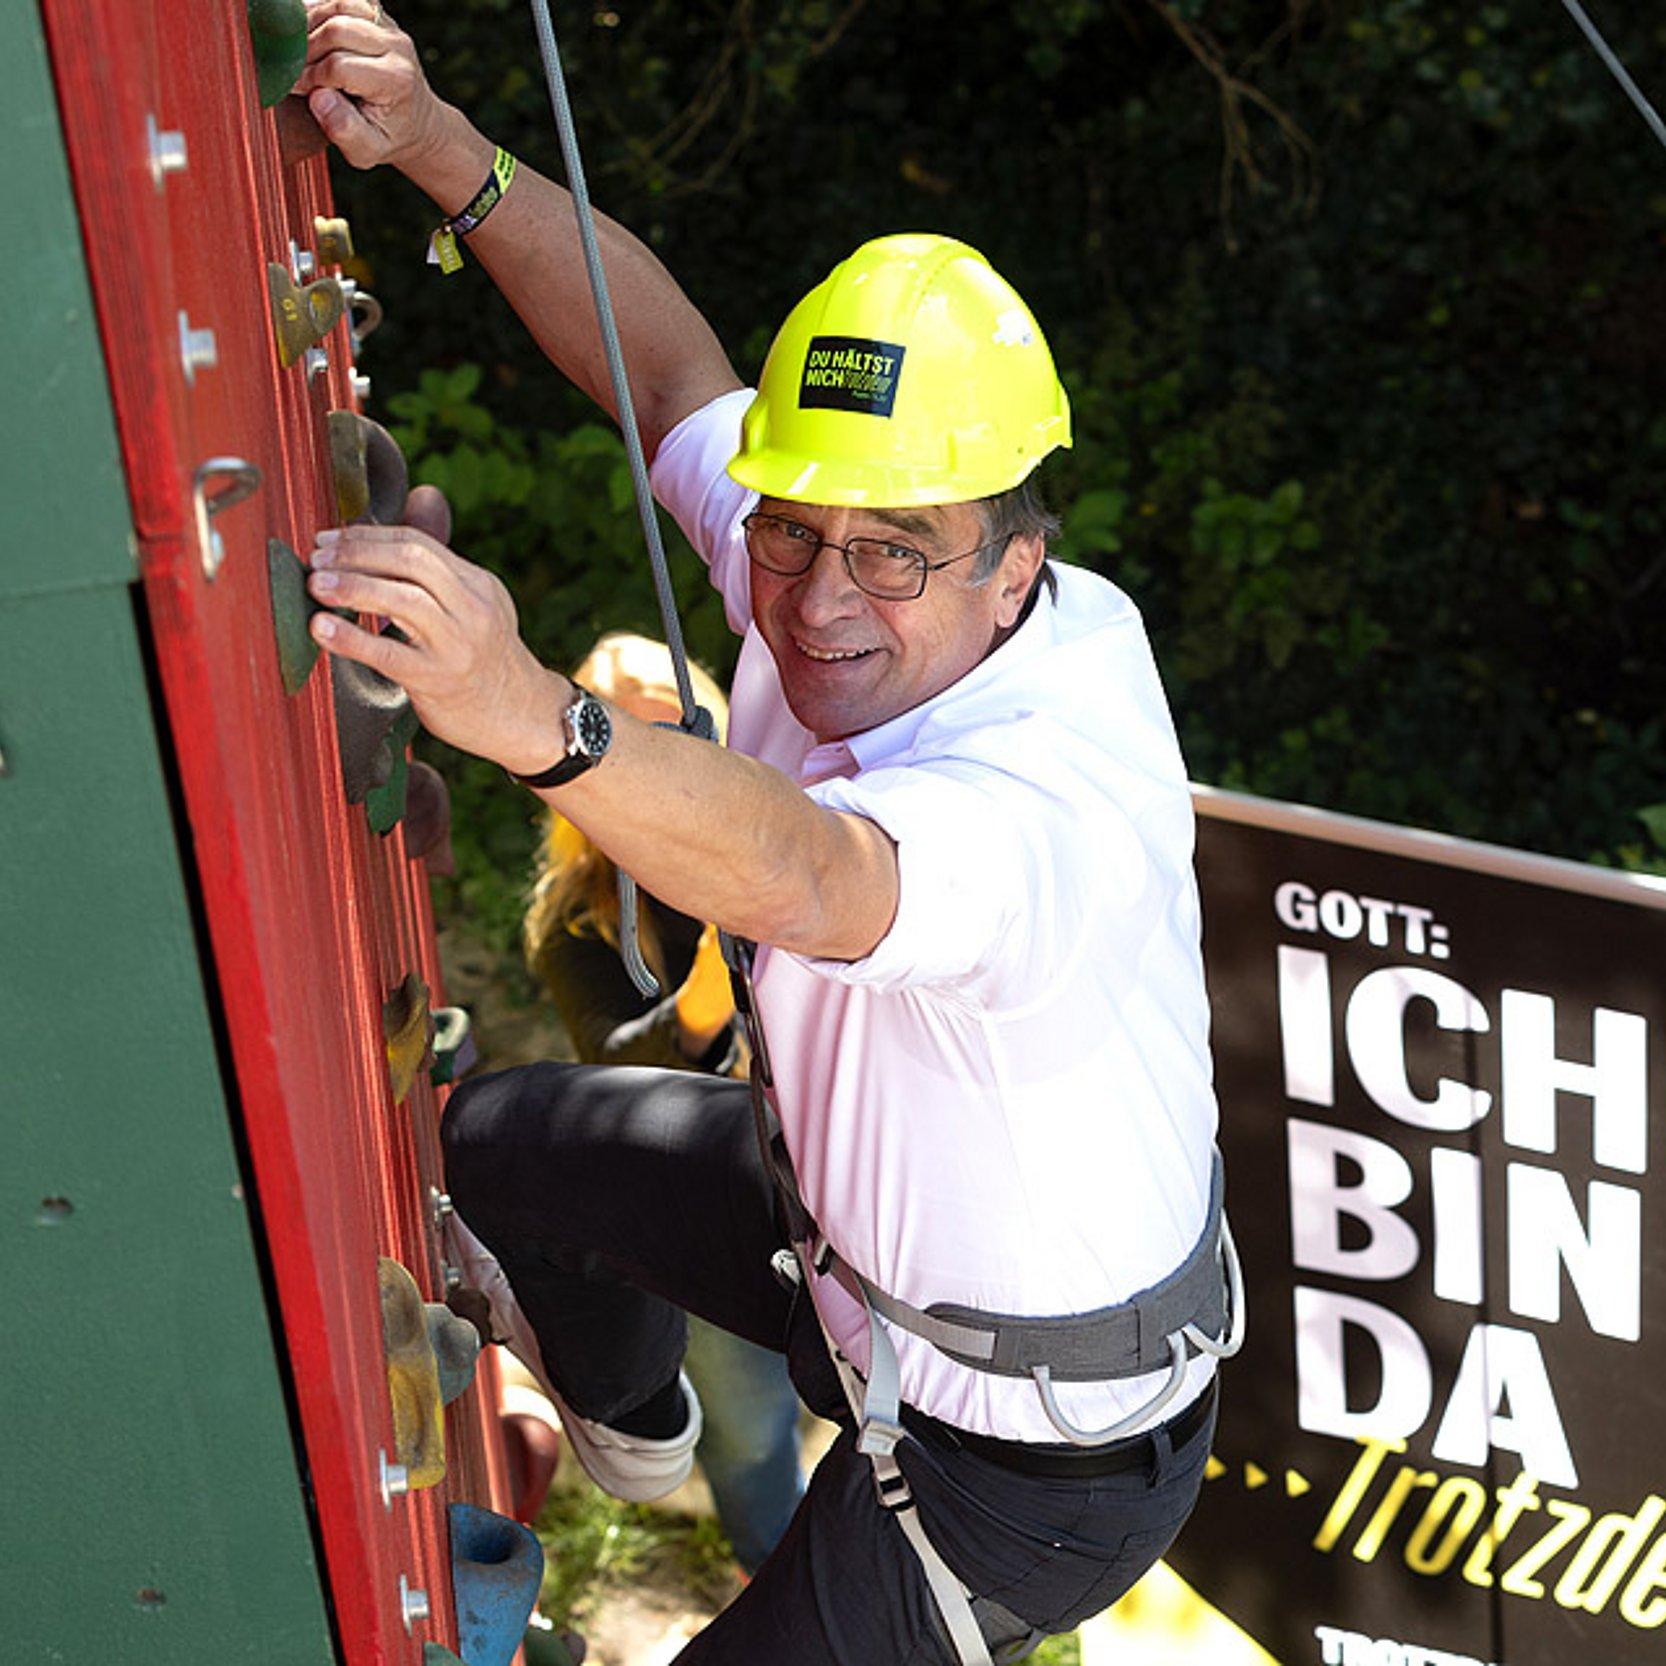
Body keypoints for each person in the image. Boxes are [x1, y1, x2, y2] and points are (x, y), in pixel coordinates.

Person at [299, 7, 1234, 1661]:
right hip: (844, 1245)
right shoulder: (862, 550)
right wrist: (441, 145)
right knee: (496, 1146)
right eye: (792, 531)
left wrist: (532, 712)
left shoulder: (1045, 789)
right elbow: (667, 369)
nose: (811, 597)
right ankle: (636, 1431)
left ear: (1019, 568)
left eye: (890, 554)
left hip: (1023, 1459)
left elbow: (814, 870)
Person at [522, 631, 804, 1575]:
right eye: (625, 731)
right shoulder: (583, 914)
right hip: (715, 1193)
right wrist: (715, 976)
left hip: (849, 1166)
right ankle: (784, 1574)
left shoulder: (796, 810)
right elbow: (612, 1071)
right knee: (752, 1420)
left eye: (675, 721)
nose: (660, 762)